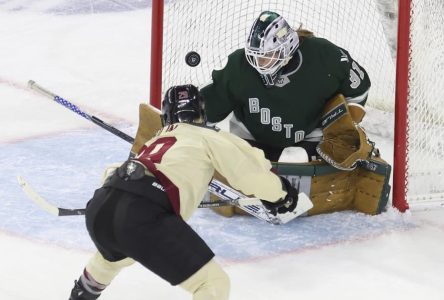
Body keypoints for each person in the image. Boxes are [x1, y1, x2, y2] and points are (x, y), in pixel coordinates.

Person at [69, 84, 300, 300]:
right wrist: (281, 195)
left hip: (103, 205)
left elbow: (111, 172)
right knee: (212, 285)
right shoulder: (210, 137)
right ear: (201, 112)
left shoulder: (156, 139)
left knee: (114, 256)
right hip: (141, 215)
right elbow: (250, 173)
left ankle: (82, 293)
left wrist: (117, 202)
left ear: (166, 115)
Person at [201, 10, 371, 162]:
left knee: (294, 158)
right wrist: (193, 114)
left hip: (308, 141)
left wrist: (348, 123)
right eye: (256, 55)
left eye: (267, 55)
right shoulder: (240, 65)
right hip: (250, 139)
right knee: (242, 165)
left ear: (287, 47)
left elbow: (359, 88)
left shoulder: (324, 55)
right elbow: (213, 100)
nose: (259, 62)